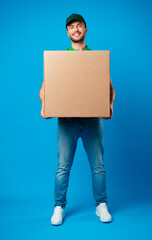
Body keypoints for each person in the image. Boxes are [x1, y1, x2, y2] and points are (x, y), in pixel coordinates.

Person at [39, 13, 115, 226]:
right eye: (71, 27)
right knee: (63, 166)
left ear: (85, 30)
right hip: (67, 122)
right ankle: (58, 207)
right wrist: (44, 106)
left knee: (98, 166)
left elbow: (109, 86)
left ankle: (101, 205)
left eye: (79, 26)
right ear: (67, 32)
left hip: (92, 121)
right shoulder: (60, 59)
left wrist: (110, 106)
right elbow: (44, 88)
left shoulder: (96, 58)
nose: (76, 29)